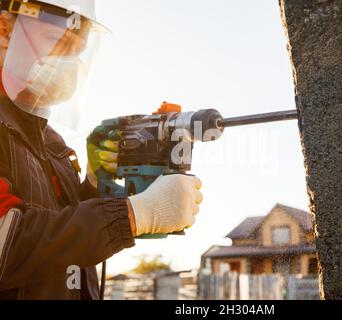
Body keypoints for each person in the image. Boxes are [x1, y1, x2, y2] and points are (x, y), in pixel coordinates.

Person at [0, 0, 202, 300]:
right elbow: (7, 244)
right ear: (5, 29)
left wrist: (95, 185)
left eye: (76, 50)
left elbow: (62, 240)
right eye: (59, 42)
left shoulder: (50, 141)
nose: (68, 62)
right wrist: (135, 215)